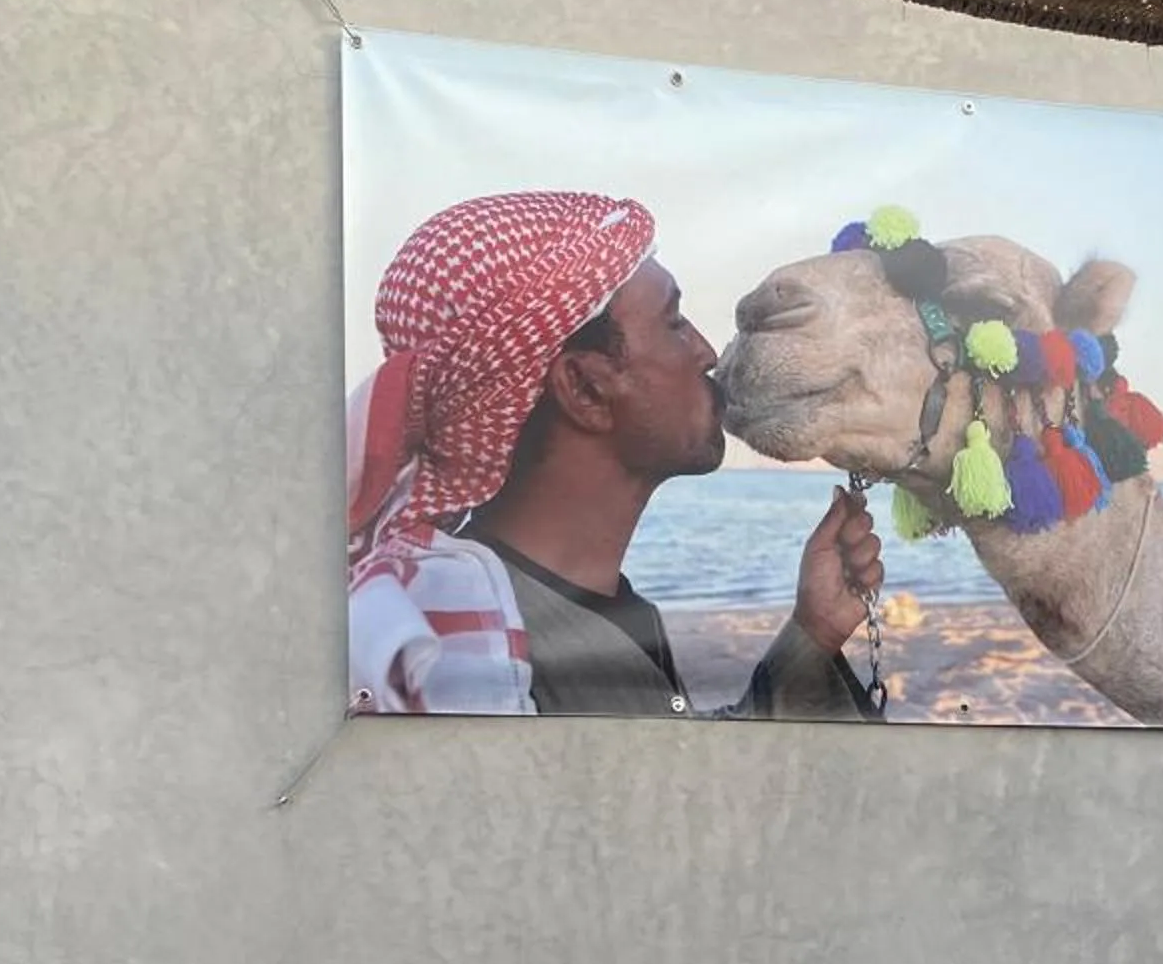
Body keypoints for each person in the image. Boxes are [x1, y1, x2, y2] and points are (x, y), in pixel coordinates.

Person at [347, 191, 883, 720]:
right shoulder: (475, 668)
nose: (707, 350)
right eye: (673, 323)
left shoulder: (591, 611)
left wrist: (812, 633)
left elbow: (676, 780)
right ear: (584, 389)